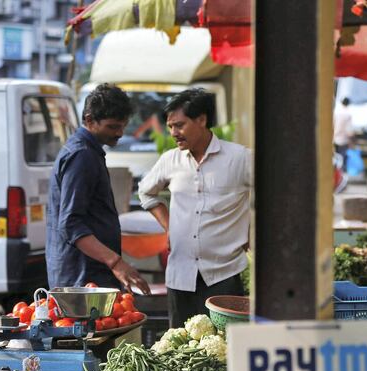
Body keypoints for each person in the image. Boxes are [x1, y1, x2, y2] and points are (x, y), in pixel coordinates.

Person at [138, 89, 251, 327]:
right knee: (180, 350)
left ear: (201, 119)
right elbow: (146, 191)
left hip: (224, 275)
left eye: (179, 125)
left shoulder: (239, 158)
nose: (173, 133)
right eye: (170, 126)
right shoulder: (170, 160)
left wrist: (251, 232)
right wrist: (169, 227)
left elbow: (275, 195)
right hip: (180, 276)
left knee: (225, 351)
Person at [46, 83, 150, 294]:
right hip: (82, 277)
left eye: (123, 126)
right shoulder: (82, 155)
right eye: (112, 127)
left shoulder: (90, 151)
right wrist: (115, 262)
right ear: (89, 120)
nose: (120, 133)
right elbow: (71, 224)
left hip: (88, 273)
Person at [333, 97, 354, 170]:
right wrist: (352, 138)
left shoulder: (336, 112)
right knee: (342, 158)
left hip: (335, 138)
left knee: (335, 157)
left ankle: (336, 172)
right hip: (343, 139)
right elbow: (349, 130)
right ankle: (341, 172)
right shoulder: (348, 114)